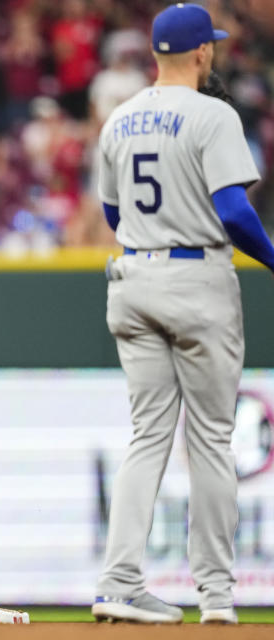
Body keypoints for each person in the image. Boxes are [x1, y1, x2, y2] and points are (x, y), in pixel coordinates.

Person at [91, 4, 274, 626]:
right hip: (196, 279)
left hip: (133, 276)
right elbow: (236, 213)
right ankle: (218, 598)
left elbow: (115, 216)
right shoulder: (212, 113)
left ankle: (118, 583)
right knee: (211, 442)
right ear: (203, 53)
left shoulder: (118, 118)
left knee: (147, 438)